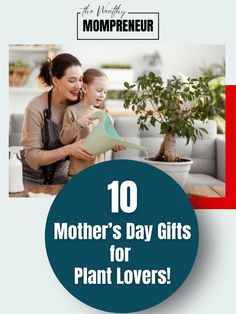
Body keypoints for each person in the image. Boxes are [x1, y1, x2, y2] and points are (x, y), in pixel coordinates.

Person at [20, 53, 94, 185]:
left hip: (63, 179)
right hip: (31, 180)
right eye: (72, 80)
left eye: (81, 79)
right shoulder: (35, 107)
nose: (78, 86)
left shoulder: (81, 104)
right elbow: (32, 157)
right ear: (55, 81)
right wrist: (69, 149)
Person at [59, 68, 124, 176]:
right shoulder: (71, 111)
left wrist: (116, 144)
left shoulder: (105, 115)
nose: (103, 95)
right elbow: (64, 140)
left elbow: (109, 141)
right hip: (78, 173)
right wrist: (78, 123)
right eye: (99, 91)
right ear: (84, 88)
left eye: (105, 92)